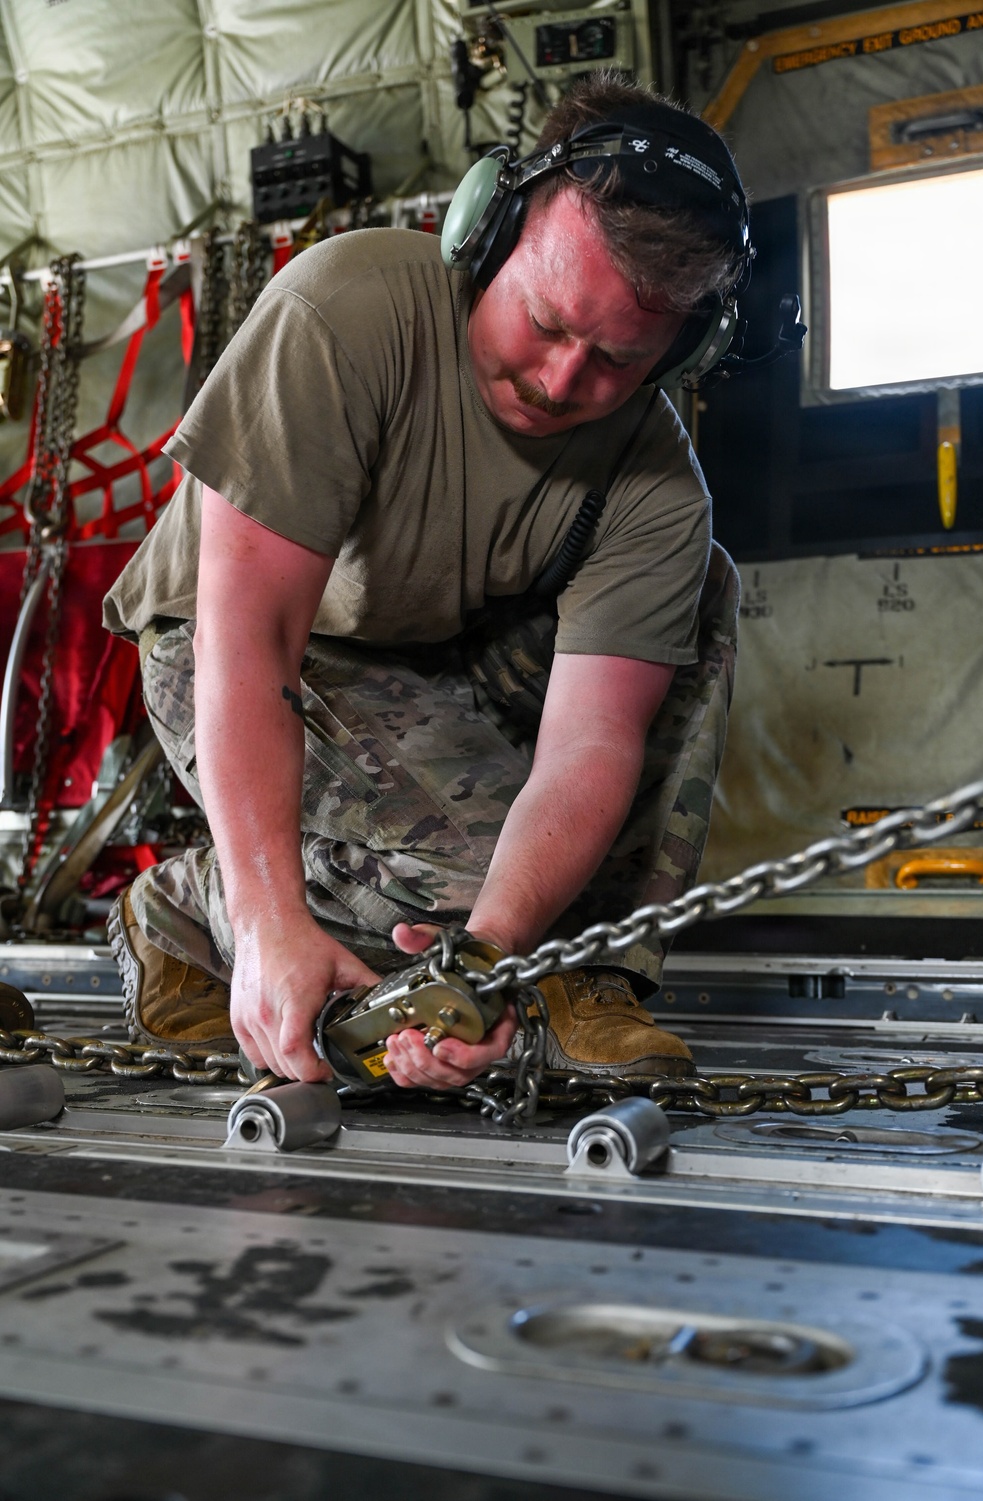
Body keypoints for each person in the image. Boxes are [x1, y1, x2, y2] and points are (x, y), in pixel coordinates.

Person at [103, 71, 743, 1092]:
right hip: (241, 645)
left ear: (682, 348)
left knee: (698, 595)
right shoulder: (344, 313)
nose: (563, 381)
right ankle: (197, 904)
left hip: (440, 657)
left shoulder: (654, 480)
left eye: (617, 360)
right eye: (544, 321)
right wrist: (271, 926)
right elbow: (249, 636)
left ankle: (576, 974)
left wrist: (482, 967)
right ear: (489, 230)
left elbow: (591, 740)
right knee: (466, 875)